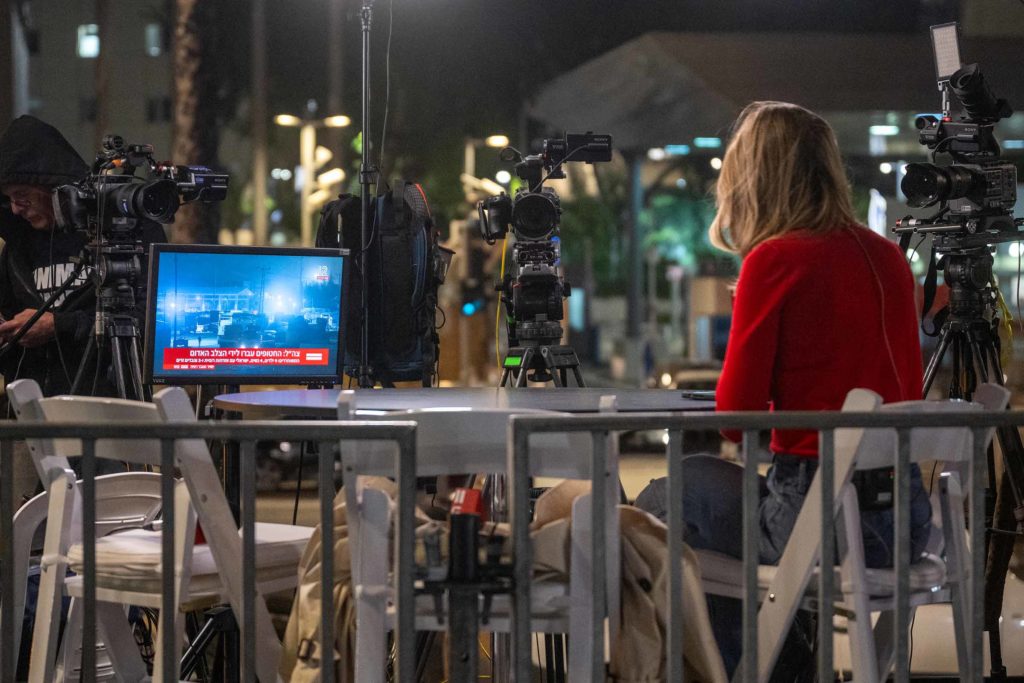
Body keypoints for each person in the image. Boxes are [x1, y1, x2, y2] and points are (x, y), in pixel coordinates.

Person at [635, 101, 932, 677]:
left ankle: (761, 670)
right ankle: (775, 666)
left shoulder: (776, 259)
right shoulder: (890, 256)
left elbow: (733, 417)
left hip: (819, 519)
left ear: (751, 179)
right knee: (694, 514)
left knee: (662, 503)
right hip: (903, 520)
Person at [0, 115, 165, 502]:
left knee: (119, 527)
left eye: (22, 195)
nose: (16, 208)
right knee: (32, 540)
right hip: (33, 418)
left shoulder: (125, 230)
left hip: (111, 415)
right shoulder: (16, 252)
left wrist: (62, 325)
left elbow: (150, 321)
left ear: (54, 188)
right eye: (7, 199)